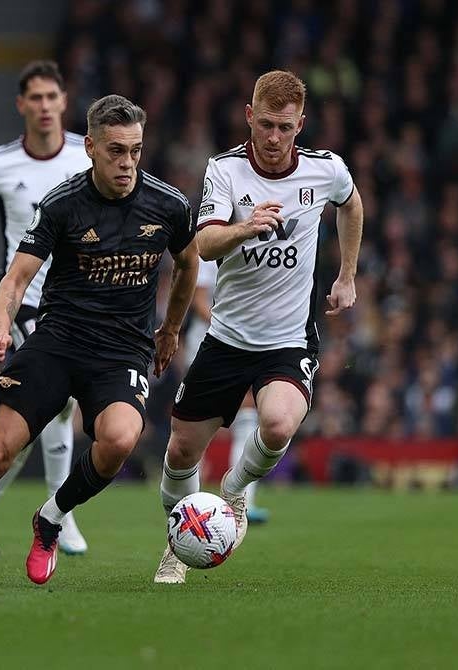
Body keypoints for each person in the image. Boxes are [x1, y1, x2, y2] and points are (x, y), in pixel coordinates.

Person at [0, 94, 199, 588]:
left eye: (134, 150)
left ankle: (51, 515)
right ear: (90, 147)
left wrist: (170, 329)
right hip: (58, 342)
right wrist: (2, 329)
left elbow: (189, 263)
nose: (127, 163)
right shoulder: (63, 203)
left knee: (121, 439)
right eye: (115, 151)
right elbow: (16, 279)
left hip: (122, 350)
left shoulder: (168, 204)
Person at [153, 70, 363, 584]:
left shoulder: (325, 171)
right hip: (226, 337)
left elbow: (352, 203)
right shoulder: (225, 171)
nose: (273, 138)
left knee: (278, 423)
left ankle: (234, 493)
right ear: (249, 116)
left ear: (300, 125)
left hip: (289, 340)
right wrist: (246, 227)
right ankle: (177, 546)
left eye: (285, 128)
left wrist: (347, 275)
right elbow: (204, 245)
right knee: (181, 450)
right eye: (265, 124)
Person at [0, 60, 91, 558]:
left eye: (51, 97)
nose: (43, 106)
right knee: (59, 406)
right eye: (34, 98)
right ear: (21, 105)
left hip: (78, 301)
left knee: (30, 423)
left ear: (63, 101)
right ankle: (63, 515)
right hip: (26, 302)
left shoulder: (87, 155)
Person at [184, 260, 268, 524]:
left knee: (247, 408)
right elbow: (198, 303)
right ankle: (190, 497)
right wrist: (232, 326)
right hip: (208, 342)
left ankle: (242, 499)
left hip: (246, 343)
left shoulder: (261, 249)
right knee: (198, 420)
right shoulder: (211, 247)